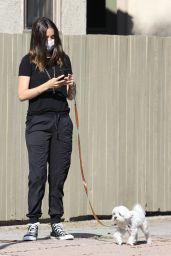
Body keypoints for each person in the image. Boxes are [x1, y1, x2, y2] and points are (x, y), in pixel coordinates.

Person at [18, 17, 76, 241]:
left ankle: (56, 222)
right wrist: (47, 85)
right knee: (37, 173)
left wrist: (71, 87)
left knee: (59, 173)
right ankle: (33, 222)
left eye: (53, 37)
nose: (51, 41)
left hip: (62, 121)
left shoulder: (63, 60)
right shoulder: (28, 61)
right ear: (38, 38)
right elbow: (22, 94)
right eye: (47, 37)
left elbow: (70, 97)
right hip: (38, 123)